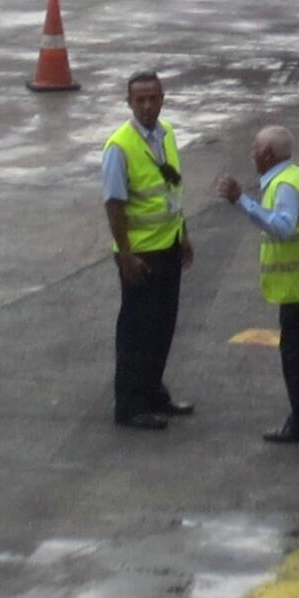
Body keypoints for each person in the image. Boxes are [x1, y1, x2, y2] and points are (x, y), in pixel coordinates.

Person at [219, 122, 299, 444]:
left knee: (297, 357)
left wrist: (241, 202)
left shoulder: (284, 185)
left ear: (267, 155)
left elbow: (284, 227)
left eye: (255, 149)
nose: (251, 154)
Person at [103, 70, 195, 431]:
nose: (146, 105)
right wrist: (125, 255)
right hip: (141, 255)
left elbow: (171, 190)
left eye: (152, 98)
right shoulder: (119, 147)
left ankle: (154, 391)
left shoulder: (167, 133)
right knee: (137, 331)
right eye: (139, 99)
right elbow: (114, 204)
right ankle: (129, 404)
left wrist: (183, 233)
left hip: (169, 244)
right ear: (129, 103)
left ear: (162, 99)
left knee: (163, 326)